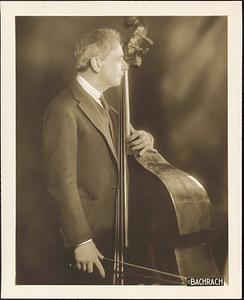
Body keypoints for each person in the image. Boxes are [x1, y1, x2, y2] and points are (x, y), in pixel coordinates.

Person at [42, 28, 154, 284]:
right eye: (118, 59)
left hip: (110, 232)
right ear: (96, 63)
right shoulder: (63, 109)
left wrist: (147, 139)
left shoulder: (103, 105)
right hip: (85, 240)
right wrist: (81, 240)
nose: (125, 66)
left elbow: (129, 140)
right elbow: (61, 183)